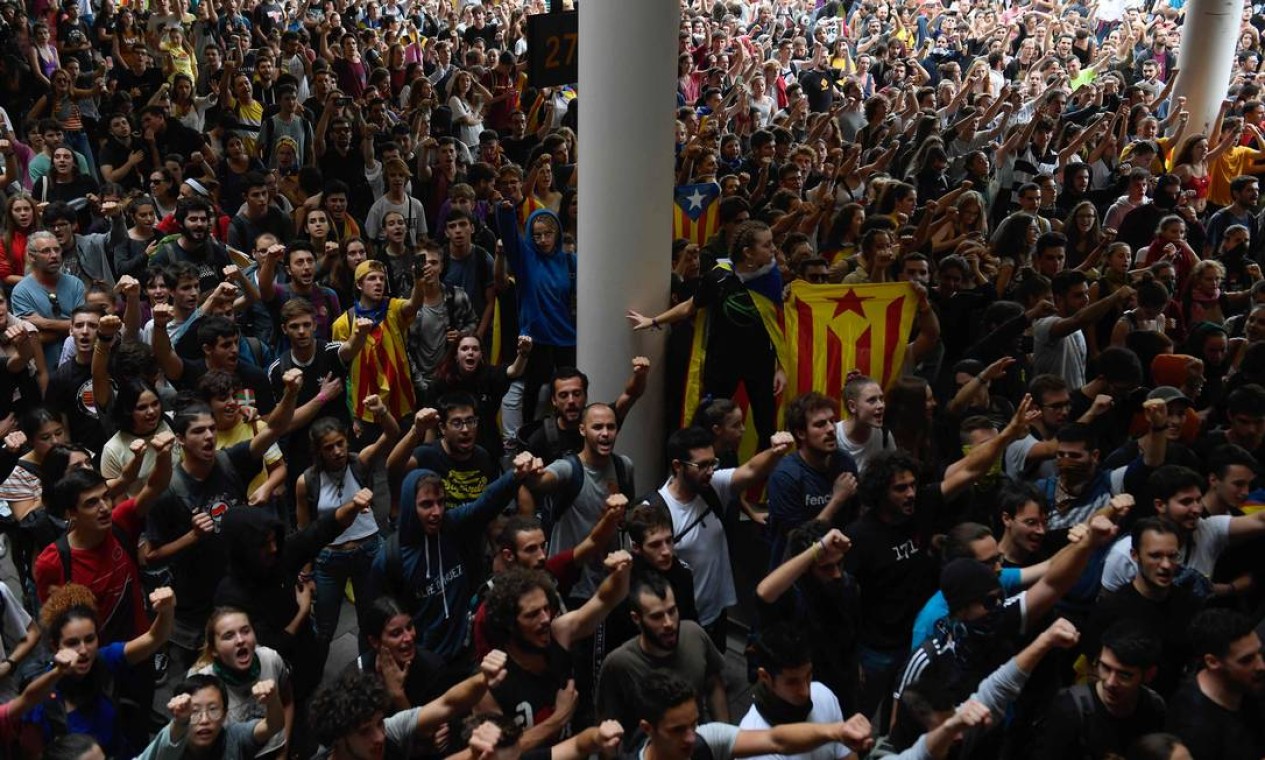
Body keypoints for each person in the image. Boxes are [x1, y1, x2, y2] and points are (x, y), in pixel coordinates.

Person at [23, 583, 175, 757]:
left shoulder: (105, 659)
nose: (83, 650)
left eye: (89, 639)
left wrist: (167, 609)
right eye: (72, 643)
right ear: (54, 646)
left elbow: (155, 637)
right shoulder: (41, 699)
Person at [627, 672, 874, 760]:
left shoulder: (706, 741)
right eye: (677, 730)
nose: (691, 737)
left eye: (694, 724)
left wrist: (836, 731)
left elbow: (777, 740)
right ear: (648, 729)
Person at [598, 571, 727, 736]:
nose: (668, 623)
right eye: (657, 617)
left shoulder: (695, 635)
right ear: (637, 618)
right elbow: (607, 726)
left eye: (672, 611)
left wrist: (725, 736)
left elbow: (714, 685)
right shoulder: (619, 664)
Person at [1036, 621, 1167, 760]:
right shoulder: (1070, 709)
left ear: (1149, 675)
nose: (1110, 682)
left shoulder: (1154, 708)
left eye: (1124, 675)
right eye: (1105, 667)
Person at [188, 609, 292, 757]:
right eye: (228, 636)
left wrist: (284, 747)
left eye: (245, 631)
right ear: (214, 650)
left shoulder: (270, 659)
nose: (240, 640)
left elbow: (287, 700)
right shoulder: (202, 682)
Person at [1166, 609, 1265, 759]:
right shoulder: (1195, 729)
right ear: (1213, 662)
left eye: (1260, 653)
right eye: (1246, 660)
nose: (1261, 666)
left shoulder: (1246, 684)